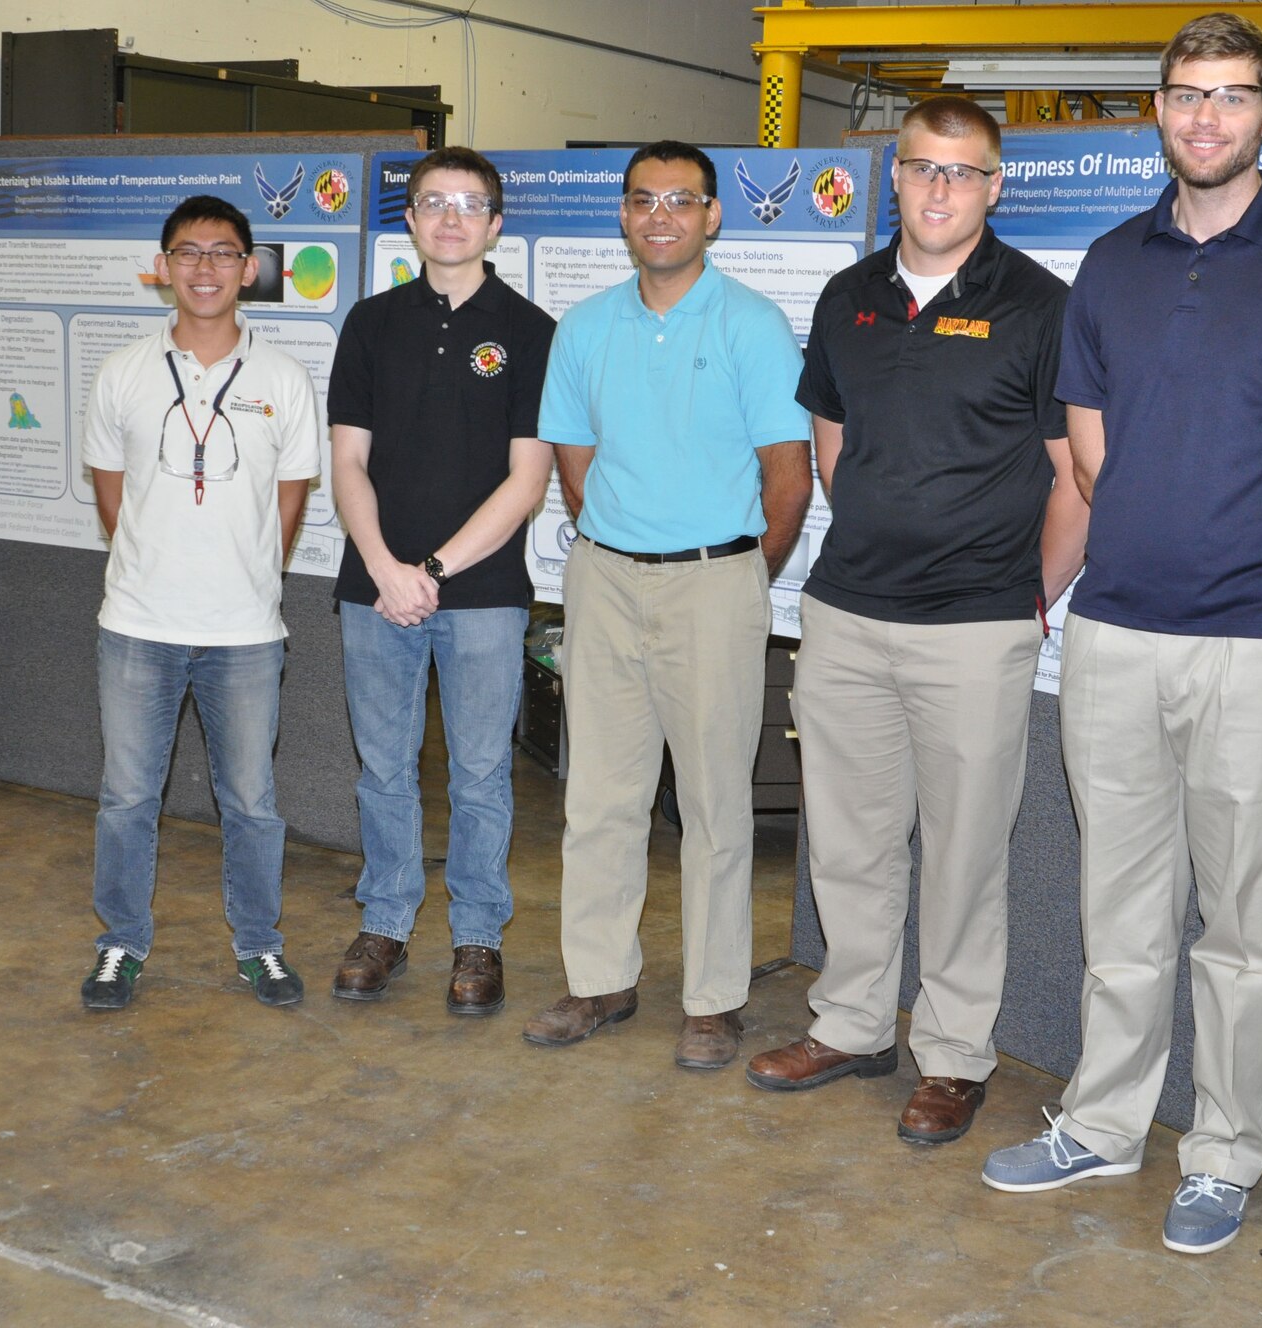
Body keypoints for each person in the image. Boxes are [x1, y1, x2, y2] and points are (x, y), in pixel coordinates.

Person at [979, 13, 1262, 1255]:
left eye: (1230, 97)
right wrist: (1149, 551)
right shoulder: (1109, 265)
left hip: (1256, 648)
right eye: (1184, 96)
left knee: (1240, 921)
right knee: (1116, 902)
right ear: (1155, 112)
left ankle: (1221, 1151)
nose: (1205, 118)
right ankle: (1103, 1122)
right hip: (1115, 634)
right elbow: (1088, 446)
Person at [744, 97, 1085, 1147]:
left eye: (960, 172)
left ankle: (950, 1055)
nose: (937, 189)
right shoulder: (848, 296)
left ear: (994, 185)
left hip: (976, 627)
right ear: (892, 177)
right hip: (846, 613)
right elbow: (833, 439)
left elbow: (1072, 475)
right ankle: (850, 1023)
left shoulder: (1038, 305)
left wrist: (1029, 597)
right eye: (920, 169)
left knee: (962, 854)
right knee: (845, 842)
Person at [521, 141, 812, 1070]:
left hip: (715, 581)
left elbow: (789, 479)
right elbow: (572, 459)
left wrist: (731, 568)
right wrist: (617, 535)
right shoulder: (586, 327)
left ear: (713, 216)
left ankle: (715, 998)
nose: (660, 216)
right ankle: (600, 978)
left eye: (680, 200)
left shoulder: (753, 325)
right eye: (642, 199)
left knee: (717, 801)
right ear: (623, 214)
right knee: (600, 795)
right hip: (603, 577)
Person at [326, 146, 555, 1016]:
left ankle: (478, 937)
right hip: (373, 588)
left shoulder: (532, 331)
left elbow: (527, 481)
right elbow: (348, 461)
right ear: (411, 220)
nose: (451, 217)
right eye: (433, 202)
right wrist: (387, 568)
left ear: (495, 224)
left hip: (484, 594)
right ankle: (385, 920)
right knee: (382, 769)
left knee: (481, 773)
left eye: (470, 204)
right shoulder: (371, 323)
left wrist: (432, 571)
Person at [78, 195, 322, 1011]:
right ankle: (120, 944)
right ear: (163, 268)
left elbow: (286, 504)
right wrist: (158, 566)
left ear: (249, 269)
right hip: (137, 627)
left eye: (223, 253)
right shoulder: (123, 371)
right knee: (126, 799)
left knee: (251, 803)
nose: (206, 267)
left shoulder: (284, 380)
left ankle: (259, 944)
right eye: (188, 252)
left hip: (246, 632)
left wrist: (245, 575)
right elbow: (113, 499)